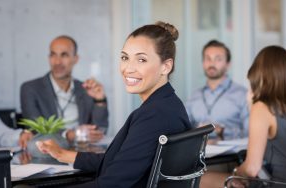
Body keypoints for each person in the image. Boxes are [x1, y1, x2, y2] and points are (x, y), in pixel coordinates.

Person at [36, 21, 192, 187]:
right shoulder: (167, 105)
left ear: (165, 67)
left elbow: (111, 184)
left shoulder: (155, 115)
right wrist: (63, 154)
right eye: (125, 58)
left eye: (141, 60)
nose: (128, 68)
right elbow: (121, 161)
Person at [200, 46, 286, 188]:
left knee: (199, 178)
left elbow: (252, 168)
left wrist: (236, 171)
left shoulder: (262, 107)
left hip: (272, 184)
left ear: (258, 73)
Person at [20, 35, 108, 143]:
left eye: (64, 55)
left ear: (75, 59)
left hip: (81, 152)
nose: (57, 62)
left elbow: (100, 131)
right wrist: (71, 135)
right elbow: (36, 129)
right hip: (48, 153)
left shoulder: (85, 89)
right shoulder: (30, 89)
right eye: (53, 55)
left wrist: (99, 100)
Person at [185, 39, 249, 140]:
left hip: (231, 155)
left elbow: (251, 133)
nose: (212, 63)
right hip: (196, 154)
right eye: (208, 59)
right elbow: (183, 129)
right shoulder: (194, 96)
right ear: (203, 63)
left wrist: (223, 131)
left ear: (228, 64)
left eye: (218, 59)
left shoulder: (243, 95)